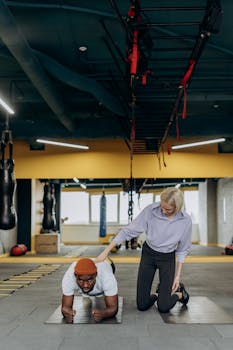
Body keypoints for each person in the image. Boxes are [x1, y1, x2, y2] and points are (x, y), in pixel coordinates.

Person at [96, 187, 192, 313]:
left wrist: (177, 276)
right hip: (149, 254)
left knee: (163, 307)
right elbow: (128, 231)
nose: (163, 211)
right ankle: (159, 294)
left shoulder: (185, 221)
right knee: (142, 304)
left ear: (177, 207)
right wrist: (105, 252)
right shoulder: (151, 211)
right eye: (162, 207)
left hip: (167, 258)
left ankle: (179, 293)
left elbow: (182, 250)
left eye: (167, 209)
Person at [61, 258, 118, 323]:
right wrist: (67, 314)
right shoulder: (69, 278)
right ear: (75, 276)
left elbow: (113, 308)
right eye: (81, 280)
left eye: (89, 280)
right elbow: (65, 308)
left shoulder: (107, 277)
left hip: (107, 262)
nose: (85, 285)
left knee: (107, 285)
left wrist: (103, 314)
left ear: (96, 275)